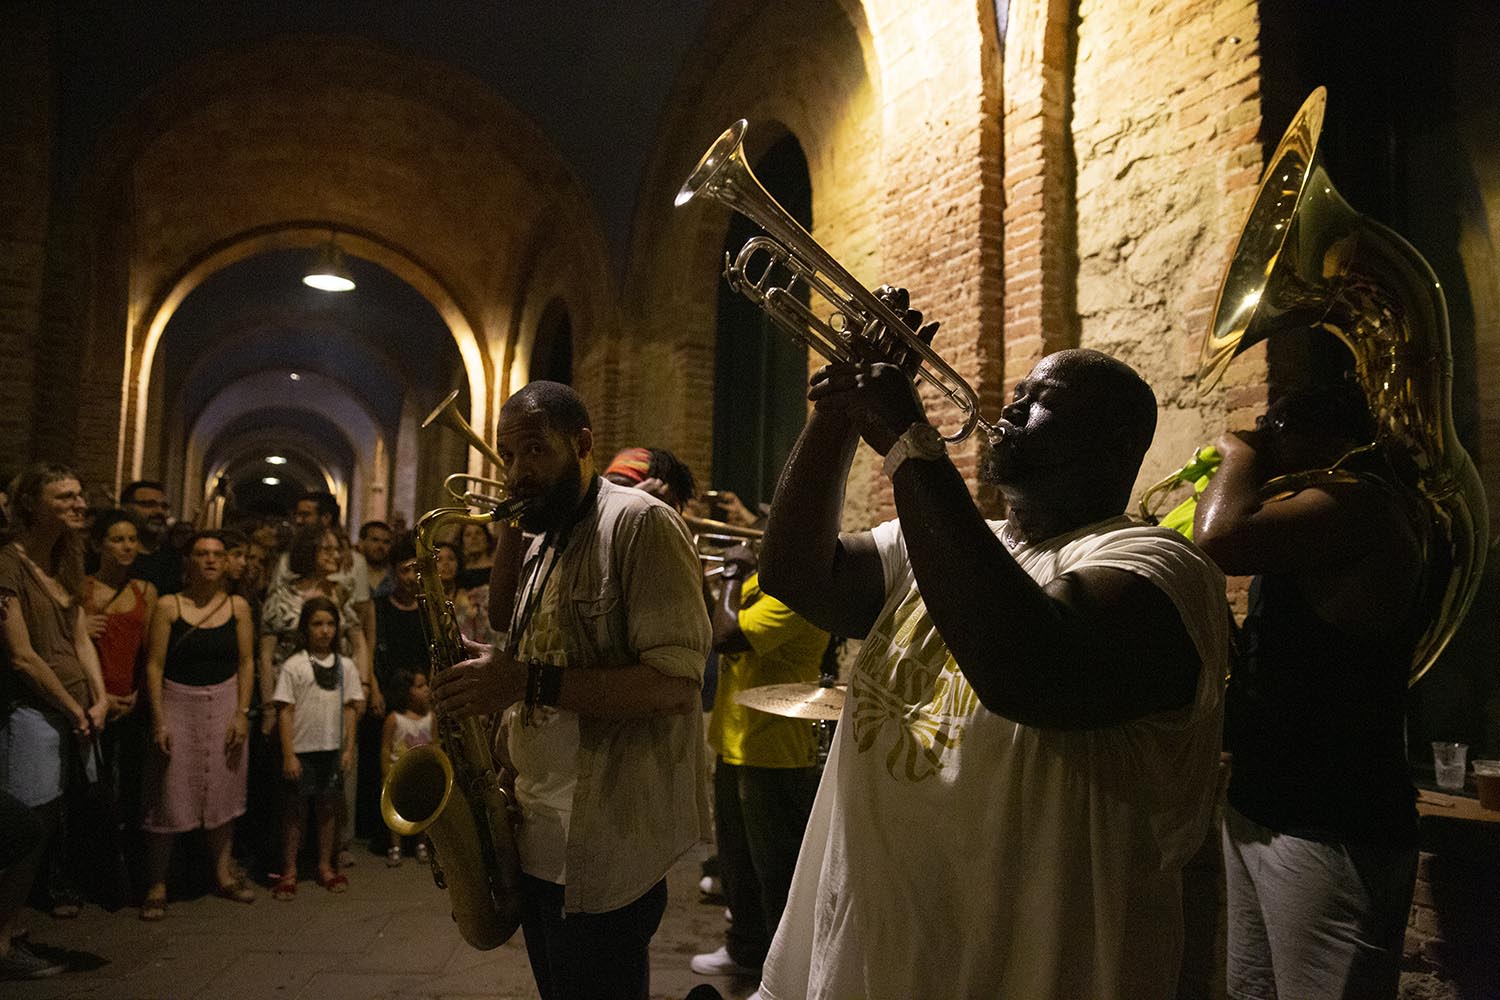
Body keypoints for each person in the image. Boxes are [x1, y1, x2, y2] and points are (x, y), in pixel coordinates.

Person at [756, 328, 1229, 1000]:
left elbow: (1026, 672)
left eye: (1040, 402)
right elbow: (795, 574)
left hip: (1032, 970)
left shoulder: (1161, 569)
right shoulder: (938, 544)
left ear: (1118, 445)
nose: (1008, 411)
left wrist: (907, 441)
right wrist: (837, 411)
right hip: (878, 957)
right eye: (1014, 394)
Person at [432, 380, 710, 1000]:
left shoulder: (640, 525)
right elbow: (515, 629)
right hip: (535, 832)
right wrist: (494, 668)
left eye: (534, 451)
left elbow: (674, 685)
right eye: (508, 456)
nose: (517, 471)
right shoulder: (547, 535)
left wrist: (524, 679)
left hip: (605, 842)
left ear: (582, 444)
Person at [1193, 383, 1424, 1000]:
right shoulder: (1315, 522)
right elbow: (1283, 658)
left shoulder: (1362, 503)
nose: (1267, 439)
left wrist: (1238, 451)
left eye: (1277, 428)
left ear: (1334, 439)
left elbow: (1219, 539)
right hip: (1261, 806)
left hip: (1332, 821)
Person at [690, 541, 828, 981]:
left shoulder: (797, 596)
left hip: (774, 751)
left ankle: (783, 974)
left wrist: (731, 573)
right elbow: (720, 618)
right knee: (737, 863)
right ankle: (746, 951)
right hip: (736, 740)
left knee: (776, 873)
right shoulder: (762, 586)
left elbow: (728, 636)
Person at [0, 464, 111, 922]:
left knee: (48, 824)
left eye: (79, 495)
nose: (79, 504)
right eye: (64, 497)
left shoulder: (65, 561)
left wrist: (99, 697)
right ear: (31, 505)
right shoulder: (8, 563)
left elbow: (80, 637)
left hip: (77, 711)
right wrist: (71, 706)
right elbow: (21, 655)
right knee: (25, 824)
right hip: (34, 711)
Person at [138, 532, 256, 920]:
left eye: (218, 555)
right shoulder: (170, 606)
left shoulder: (237, 606)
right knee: (169, 792)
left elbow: (245, 663)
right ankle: (157, 882)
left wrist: (241, 712)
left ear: (226, 563)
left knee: (223, 788)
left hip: (223, 700)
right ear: (189, 561)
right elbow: (154, 666)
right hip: (178, 700)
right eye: (202, 554)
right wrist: (159, 720)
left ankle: (222, 874)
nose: (210, 561)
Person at [83, 509, 158, 904]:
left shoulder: (145, 592)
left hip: (130, 703)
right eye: (117, 539)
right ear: (98, 544)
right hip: (89, 702)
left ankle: (126, 880)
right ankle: (85, 878)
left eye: (132, 539)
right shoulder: (80, 589)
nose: (127, 546)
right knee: (89, 792)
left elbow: (150, 655)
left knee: (130, 792)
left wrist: (138, 697)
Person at [271, 597, 363, 899]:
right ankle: (290, 870)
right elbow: (285, 710)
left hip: (331, 749)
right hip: (302, 749)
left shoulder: (345, 666)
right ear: (305, 628)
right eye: (317, 624)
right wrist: (288, 753)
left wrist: (348, 749)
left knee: (327, 808)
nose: (324, 631)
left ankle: (325, 866)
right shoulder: (294, 666)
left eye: (330, 624)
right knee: (294, 811)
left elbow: (350, 709)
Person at [378, 668, 431, 866]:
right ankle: (396, 846)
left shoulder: (430, 718)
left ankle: (422, 844)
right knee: (397, 809)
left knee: (424, 808)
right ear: (406, 691)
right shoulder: (394, 719)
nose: (426, 689)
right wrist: (386, 772)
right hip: (398, 772)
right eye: (420, 686)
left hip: (422, 772)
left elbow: (434, 744)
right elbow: (385, 748)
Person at [121, 481, 181, 595]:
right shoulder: (114, 555)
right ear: (126, 508)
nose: (159, 512)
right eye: (149, 504)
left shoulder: (173, 558)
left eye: (164, 506)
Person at [357, 520, 395, 602]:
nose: (380, 546)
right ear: (361, 542)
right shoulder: (352, 573)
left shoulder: (396, 577)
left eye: (386, 542)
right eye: (375, 540)